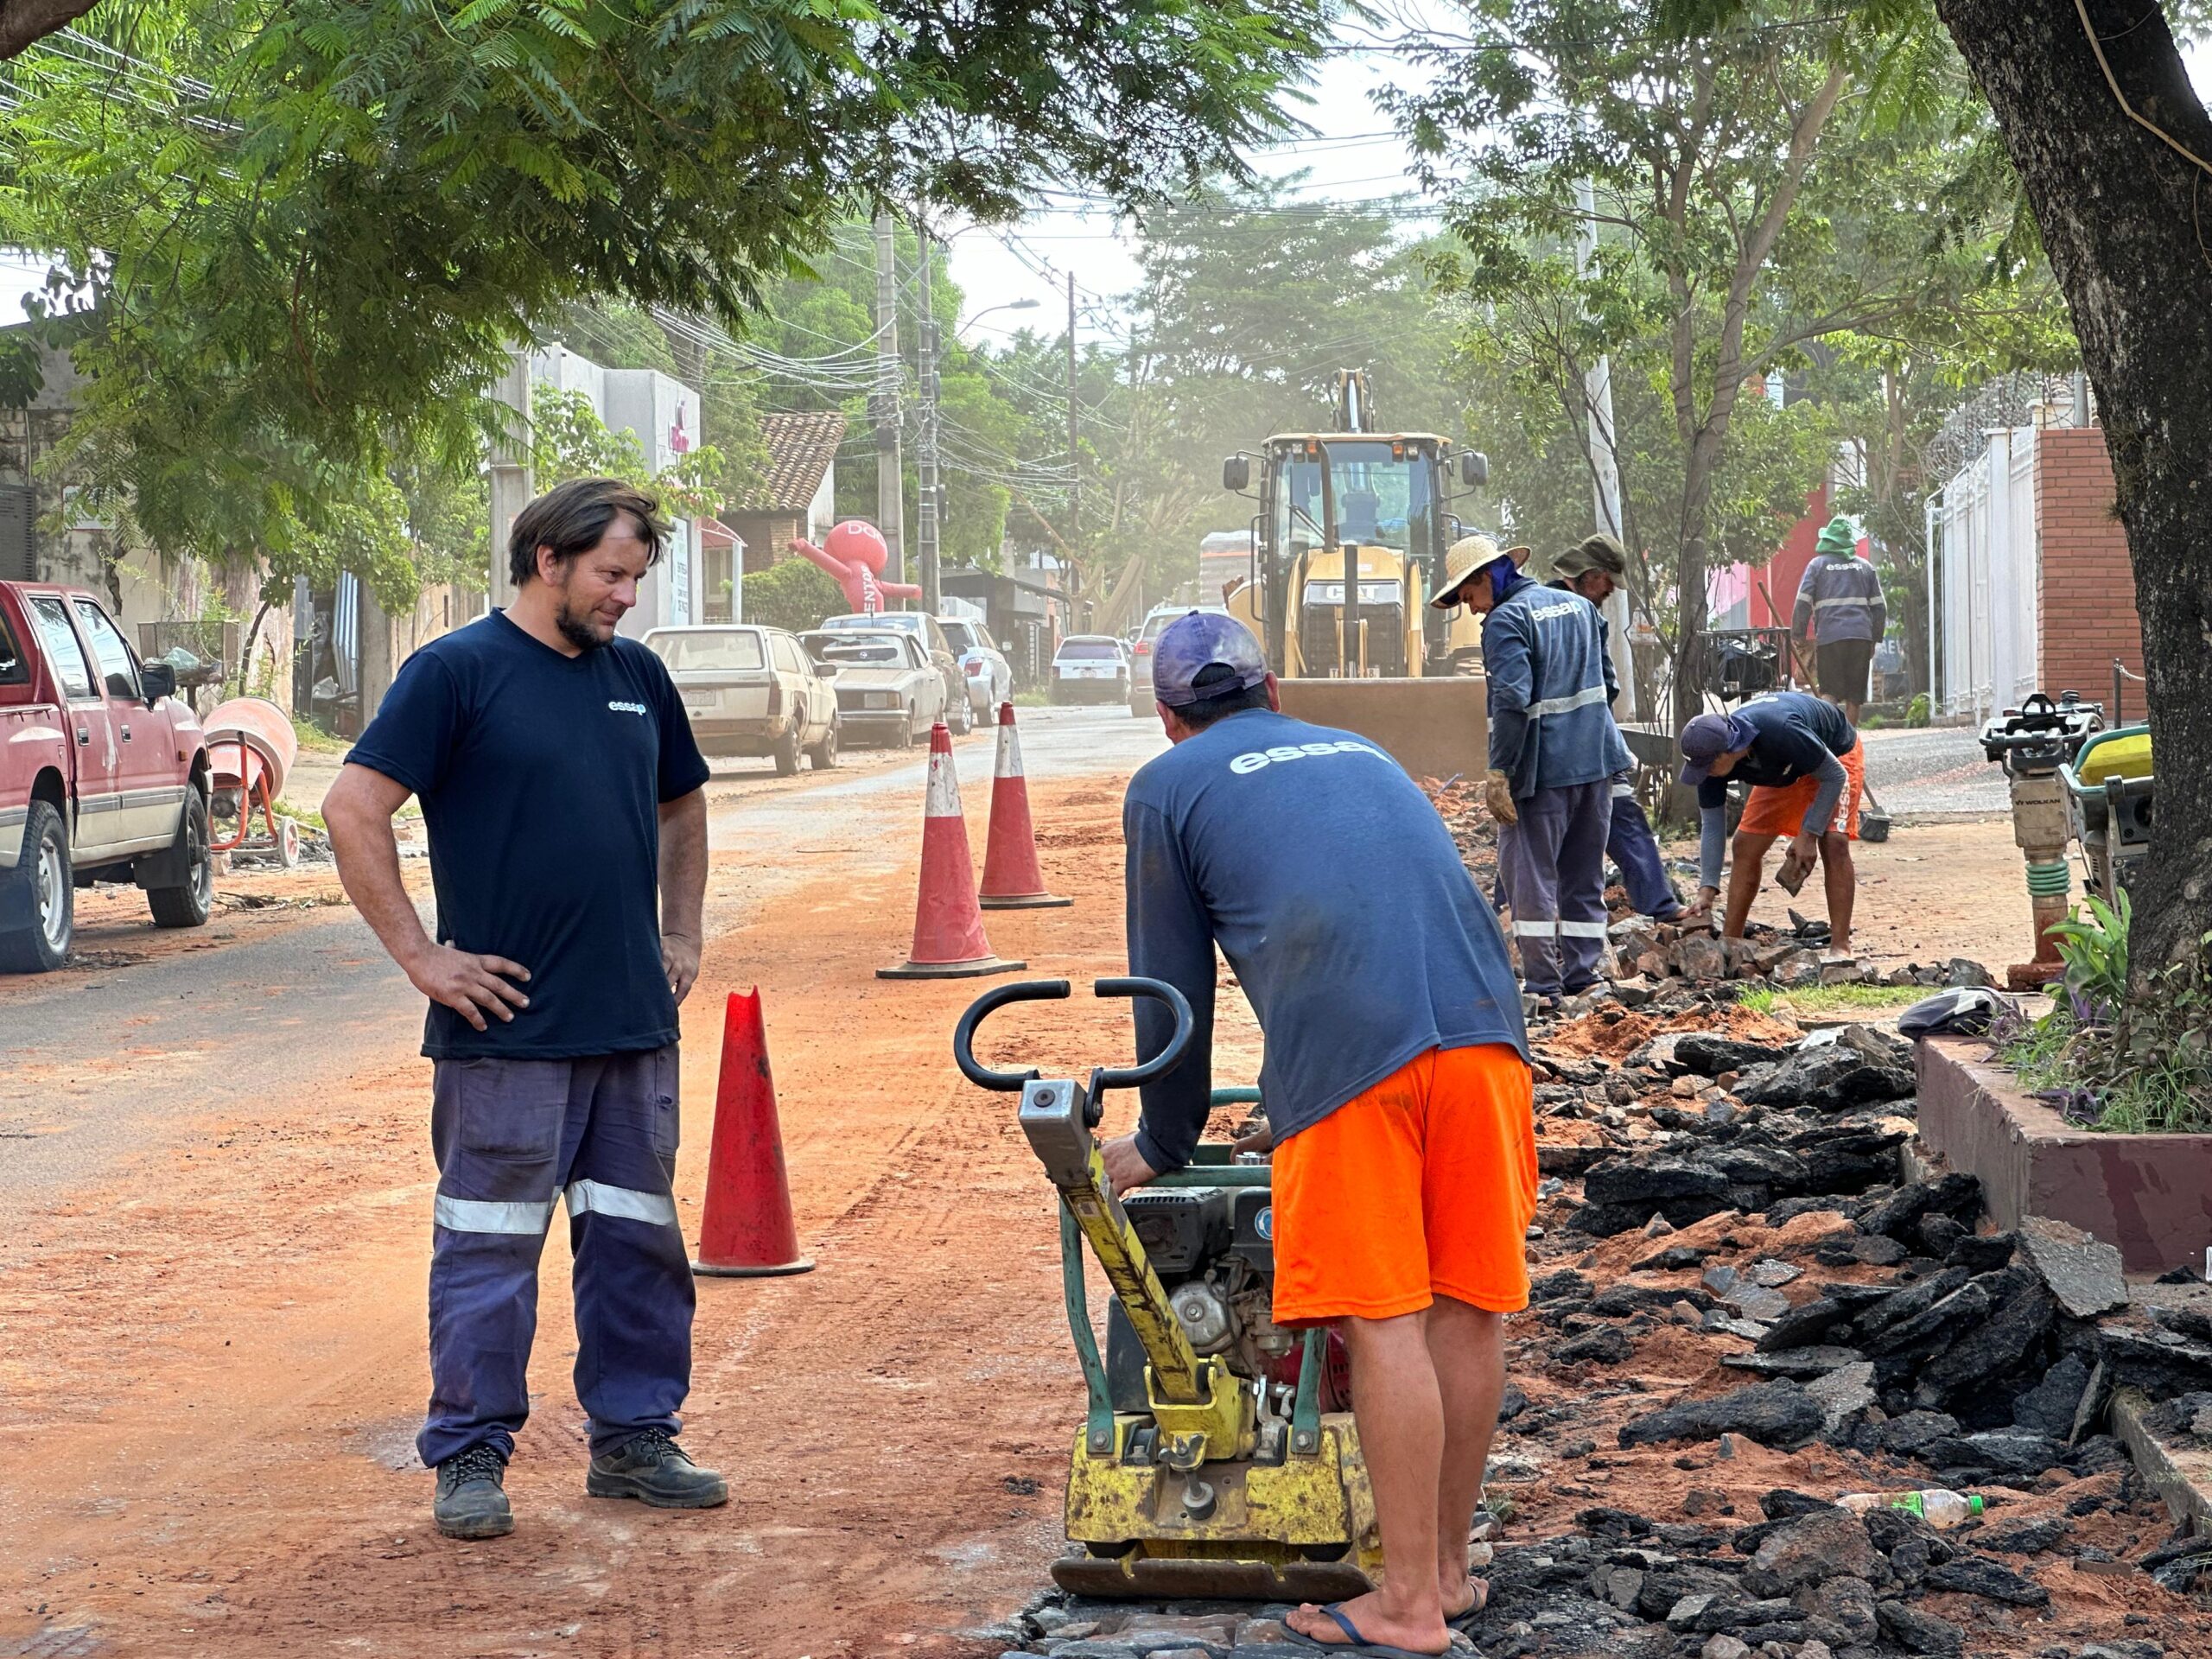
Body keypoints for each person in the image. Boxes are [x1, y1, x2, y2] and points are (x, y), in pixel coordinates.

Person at [1103, 612, 1535, 1658]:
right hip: (1486, 1039)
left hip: (1349, 1061)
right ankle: (1444, 1573)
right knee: (1467, 1307)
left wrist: (1162, 1137)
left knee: (1381, 1316)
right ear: (1274, 690)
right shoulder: (1362, 750)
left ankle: (1404, 1609)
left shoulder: (1167, 786)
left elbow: (1171, 989)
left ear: (1167, 716)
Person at [324, 477, 725, 1541]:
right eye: (611, 575)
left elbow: (682, 800)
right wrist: (423, 957)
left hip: (633, 1025)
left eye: (635, 578)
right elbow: (352, 806)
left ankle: (636, 1440)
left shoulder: (637, 676)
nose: (625, 599)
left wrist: (679, 933)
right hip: (507, 1034)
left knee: (638, 1244)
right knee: (490, 1250)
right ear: (548, 560)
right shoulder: (455, 673)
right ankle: (470, 1457)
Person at [1433, 534, 1631, 1002]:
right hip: (1598, 765)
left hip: (1542, 774)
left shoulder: (1506, 620)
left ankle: (1543, 987)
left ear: (1486, 577)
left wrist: (1500, 771)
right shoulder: (1578, 607)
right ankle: (1585, 978)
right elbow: (1609, 687)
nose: (1472, 609)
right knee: (1585, 874)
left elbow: (1512, 701)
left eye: (1468, 596)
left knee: (1531, 877)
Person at [1544, 533, 1681, 922]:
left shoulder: (1535, 606)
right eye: (1608, 582)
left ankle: (1504, 912)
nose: (1610, 591)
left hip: (1560, 750)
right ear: (1590, 574)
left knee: (1541, 836)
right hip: (1586, 747)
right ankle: (1661, 906)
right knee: (1622, 822)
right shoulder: (1584, 614)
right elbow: (1608, 686)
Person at [1677, 690, 1865, 950]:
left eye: (1707, 766)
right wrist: (1707, 887)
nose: (1704, 773)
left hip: (1834, 756)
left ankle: (1840, 947)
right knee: (1744, 845)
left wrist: (1808, 833)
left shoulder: (1780, 730)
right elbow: (1712, 824)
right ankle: (1731, 944)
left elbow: (1834, 776)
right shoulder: (1710, 765)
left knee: (1833, 842)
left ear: (1726, 752)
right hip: (1784, 769)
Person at [1790, 515, 1886, 722]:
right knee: (1854, 696)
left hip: (1830, 638)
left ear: (1828, 541)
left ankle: (1830, 740)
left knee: (1829, 692)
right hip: (1860, 637)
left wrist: (1797, 635)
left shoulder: (1817, 566)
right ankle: (1850, 743)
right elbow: (1880, 608)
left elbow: (1803, 602)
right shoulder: (1866, 568)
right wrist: (1874, 639)